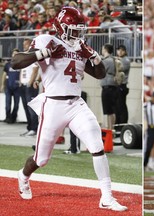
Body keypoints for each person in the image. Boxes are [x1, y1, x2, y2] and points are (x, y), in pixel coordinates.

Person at [11, 6, 127, 212]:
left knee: (96, 145)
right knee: (41, 159)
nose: (78, 33)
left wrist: (94, 56)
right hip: (53, 105)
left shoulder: (79, 45)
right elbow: (16, 61)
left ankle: (107, 197)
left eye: (80, 29)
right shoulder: (47, 40)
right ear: (61, 26)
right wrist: (45, 52)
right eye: (74, 29)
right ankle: (23, 175)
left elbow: (99, 74)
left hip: (76, 104)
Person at [19, 38, 39, 136]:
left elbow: (35, 70)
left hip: (29, 86)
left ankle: (34, 128)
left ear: (30, 44)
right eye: (24, 44)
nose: (24, 46)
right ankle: (30, 127)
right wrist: (20, 81)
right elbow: (22, 70)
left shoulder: (33, 55)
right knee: (26, 108)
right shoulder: (24, 56)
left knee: (31, 108)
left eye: (26, 44)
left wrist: (30, 83)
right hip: (23, 85)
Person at [100, 43, 118, 129]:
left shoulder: (106, 61)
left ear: (106, 50)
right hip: (112, 86)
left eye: (103, 49)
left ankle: (110, 128)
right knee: (111, 109)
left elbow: (100, 70)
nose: (102, 50)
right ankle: (111, 128)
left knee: (108, 110)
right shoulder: (113, 59)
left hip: (107, 87)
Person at [1, 48, 20, 123]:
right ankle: (8, 117)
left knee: (16, 105)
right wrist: (2, 84)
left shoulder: (21, 64)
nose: (15, 55)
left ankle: (13, 118)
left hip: (17, 87)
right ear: (12, 55)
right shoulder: (8, 64)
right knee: (7, 104)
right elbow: (4, 74)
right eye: (14, 54)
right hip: (8, 86)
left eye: (16, 54)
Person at [115, 44, 130, 124]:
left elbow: (120, 68)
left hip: (122, 85)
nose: (119, 52)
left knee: (121, 105)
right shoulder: (119, 59)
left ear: (125, 51)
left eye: (122, 50)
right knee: (117, 105)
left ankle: (123, 122)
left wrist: (116, 61)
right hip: (117, 85)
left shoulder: (126, 60)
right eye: (118, 50)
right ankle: (118, 122)